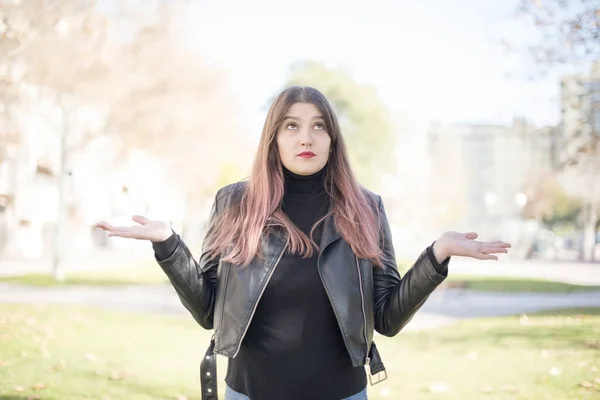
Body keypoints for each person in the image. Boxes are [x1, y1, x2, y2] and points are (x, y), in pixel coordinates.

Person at [95, 86, 511, 400]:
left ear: (333, 140)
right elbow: (210, 312)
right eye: (291, 126)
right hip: (249, 392)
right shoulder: (235, 202)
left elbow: (385, 319)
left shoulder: (366, 207)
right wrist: (169, 245)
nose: (306, 138)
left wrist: (437, 255)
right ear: (274, 138)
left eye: (318, 127)